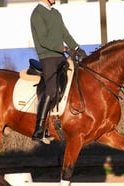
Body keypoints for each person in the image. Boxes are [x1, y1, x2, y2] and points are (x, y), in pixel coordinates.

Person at [30, 0, 87, 143]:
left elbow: (65, 34)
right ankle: (39, 129)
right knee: (52, 90)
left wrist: (77, 48)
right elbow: (43, 40)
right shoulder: (37, 14)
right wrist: (65, 49)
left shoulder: (55, 13)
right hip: (48, 57)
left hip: (60, 57)